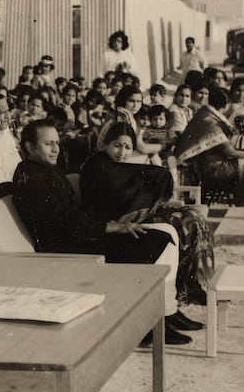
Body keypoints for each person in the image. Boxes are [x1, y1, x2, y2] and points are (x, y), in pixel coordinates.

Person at [12, 119, 191, 345]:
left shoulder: (45, 171)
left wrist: (112, 225)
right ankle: (148, 324)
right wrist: (110, 227)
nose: (56, 148)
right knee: (154, 240)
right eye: (49, 144)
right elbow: (60, 223)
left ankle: (163, 314)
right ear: (29, 147)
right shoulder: (32, 177)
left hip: (78, 236)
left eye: (57, 143)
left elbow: (71, 215)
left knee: (159, 236)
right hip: (66, 248)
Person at [81, 121, 215, 310]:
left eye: (128, 147)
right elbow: (118, 196)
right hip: (114, 222)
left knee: (194, 217)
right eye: (117, 145)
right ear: (106, 144)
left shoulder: (119, 167)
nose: (122, 152)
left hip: (135, 215)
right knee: (185, 220)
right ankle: (186, 288)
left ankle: (194, 285)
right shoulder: (96, 165)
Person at [175, 89, 244, 208]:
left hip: (215, 163)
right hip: (214, 168)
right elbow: (230, 151)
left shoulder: (205, 115)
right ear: (227, 104)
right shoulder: (210, 122)